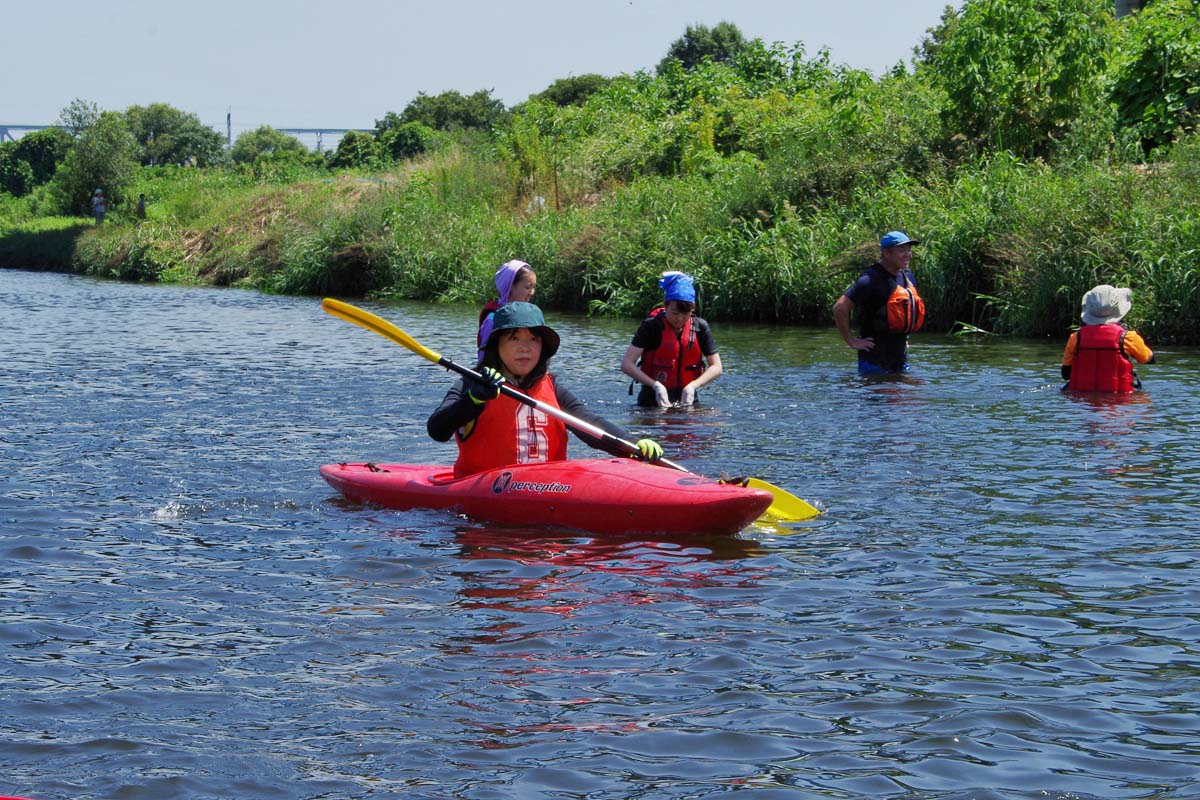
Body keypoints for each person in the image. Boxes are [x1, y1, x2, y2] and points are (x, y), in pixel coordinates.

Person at [429, 301, 663, 478]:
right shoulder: (473, 384)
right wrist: (474, 400)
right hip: (481, 496)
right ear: (496, 346)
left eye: (533, 339)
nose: (525, 348)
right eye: (514, 338)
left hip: (548, 490)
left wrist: (632, 444)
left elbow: (590, 425)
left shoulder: (552, 388)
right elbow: (437, 430)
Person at [620, 271, 723, 407]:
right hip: (652, 398)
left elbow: (717, 367)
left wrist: (693, 386)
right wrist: (656, 386)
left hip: (688, 398)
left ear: (692, 310)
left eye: (686, 313)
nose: (679, 319)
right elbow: (626, 365)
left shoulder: (700, 327)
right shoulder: (651, 326)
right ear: (665, 305)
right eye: (675, 313)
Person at [832, 230, 926, 374]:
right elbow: (840, 308)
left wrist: (905, 337)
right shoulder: (870, 279)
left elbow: (905, 311)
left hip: (900, 359)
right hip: (874, 362)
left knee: (907, 395)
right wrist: (851, 341)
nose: (907, 254)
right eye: (901, 250)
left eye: (909, 250)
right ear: (886, 253)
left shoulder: (907, 276)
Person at [1061, 284, 1155, 392]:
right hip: (1120, 400)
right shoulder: (1128, 337)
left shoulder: (1076, 337)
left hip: (1082, 401)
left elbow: (1066, 374)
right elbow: (1148, 359)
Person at [477, 259, 538, 359]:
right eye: (527, 287)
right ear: (510, 286)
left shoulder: (530, 317)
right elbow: (484, 358)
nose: (531, 292)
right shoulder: (493, 320)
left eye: (534, 287)